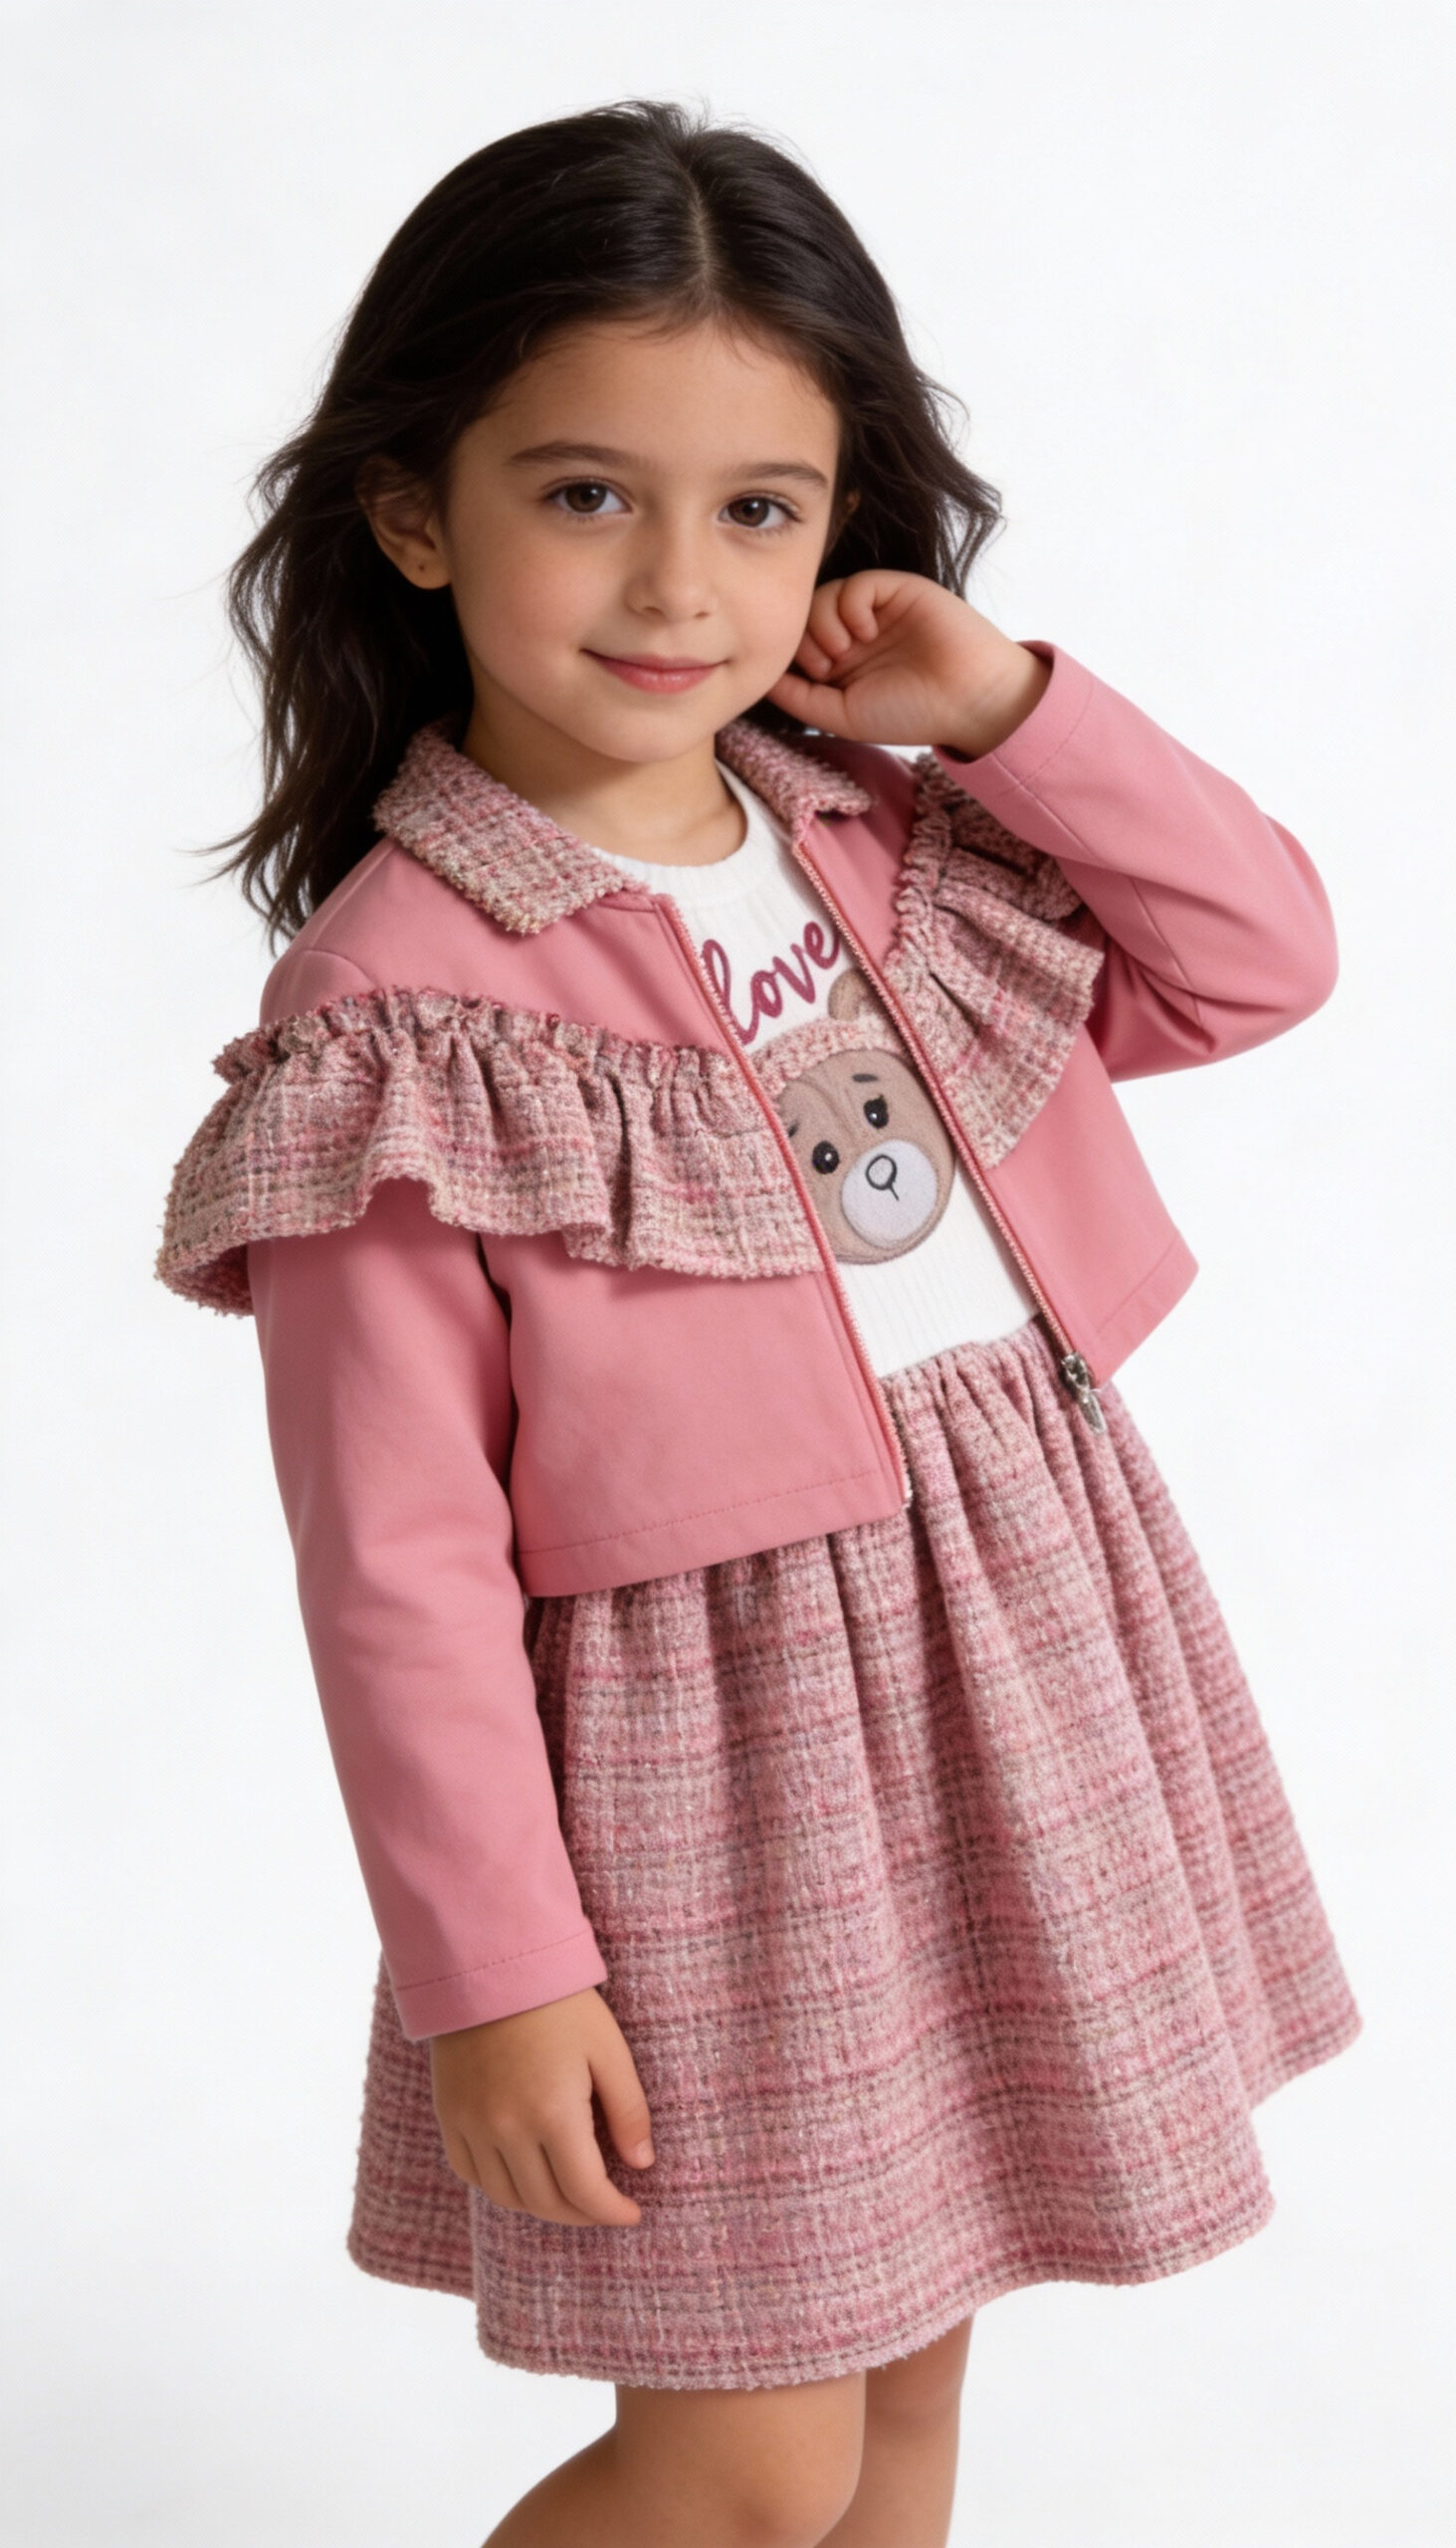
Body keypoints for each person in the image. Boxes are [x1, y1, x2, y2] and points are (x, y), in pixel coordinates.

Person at [154, 97, 1361, 2548]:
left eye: (760, 507)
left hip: (1009, 1666)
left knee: (908, 2396)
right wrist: (496, 1964)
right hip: (709, 1776)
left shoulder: (876, 832)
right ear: (416, 511)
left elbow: (1258, 957)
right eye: (588, 491)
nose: (676, 583)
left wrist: (1003, 703)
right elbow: (393, 1553)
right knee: (741, 2459)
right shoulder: (401, 1010)